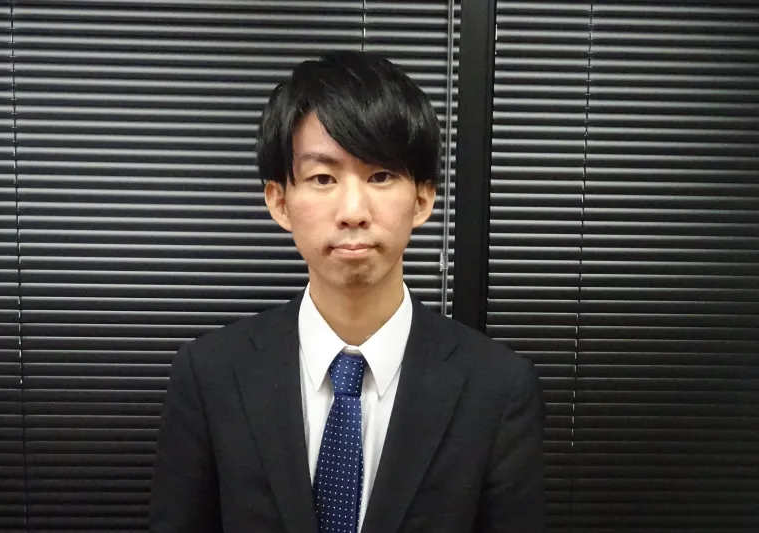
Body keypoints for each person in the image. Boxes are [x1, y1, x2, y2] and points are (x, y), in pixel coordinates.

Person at [149, 50, 545, 533]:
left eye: (381, 176)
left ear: (423, 198)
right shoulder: (210, 375)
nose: (353, 211)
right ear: (279, 201)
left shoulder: (497, 388)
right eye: (323, 178)